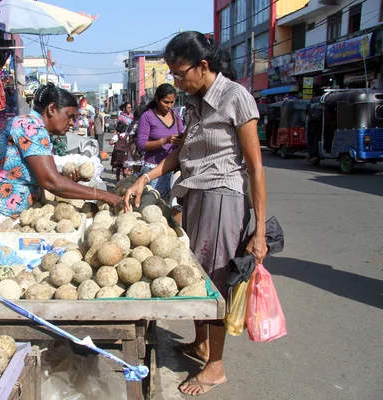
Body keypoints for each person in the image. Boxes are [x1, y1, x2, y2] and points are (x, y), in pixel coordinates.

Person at [124, 31, 267, 396]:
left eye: (179, 72)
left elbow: (255, 167)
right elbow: (182, 153)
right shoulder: (194, 103)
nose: (176, 81)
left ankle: (215, 366)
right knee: (196, 272)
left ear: (203, 66)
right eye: (171, 74)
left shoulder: (237, 98)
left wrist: (260, 230)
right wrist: (146, 177)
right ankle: (201, 344)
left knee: (216, 280)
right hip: (194, 195)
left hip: (223, 198)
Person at [0, 83, 122, 257]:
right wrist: (103, 195)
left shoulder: (32, 126)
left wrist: (65, 179)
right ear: (52, 109)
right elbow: (50, 182)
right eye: (70, 116)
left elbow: (39, 174)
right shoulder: (31, 127)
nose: (72, 124)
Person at [136, 83, 183, 198]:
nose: (169, 106)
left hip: (172, 169)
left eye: (172, 102)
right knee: (153, 203)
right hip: (153, 170)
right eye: (166, 102)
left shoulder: (176, 115)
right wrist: (165, 141)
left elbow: (182, 134)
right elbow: (141, 145)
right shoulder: (147, 117)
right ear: (157, 98)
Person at [109, 102, 134, 181]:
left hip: (130, 139)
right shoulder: (121, 117)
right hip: (123, 138)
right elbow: (118, 127)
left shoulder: (132, 116)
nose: (130, 109)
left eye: (130, 107)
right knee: (120, 162)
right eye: (128, 107)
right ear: (124, 108)